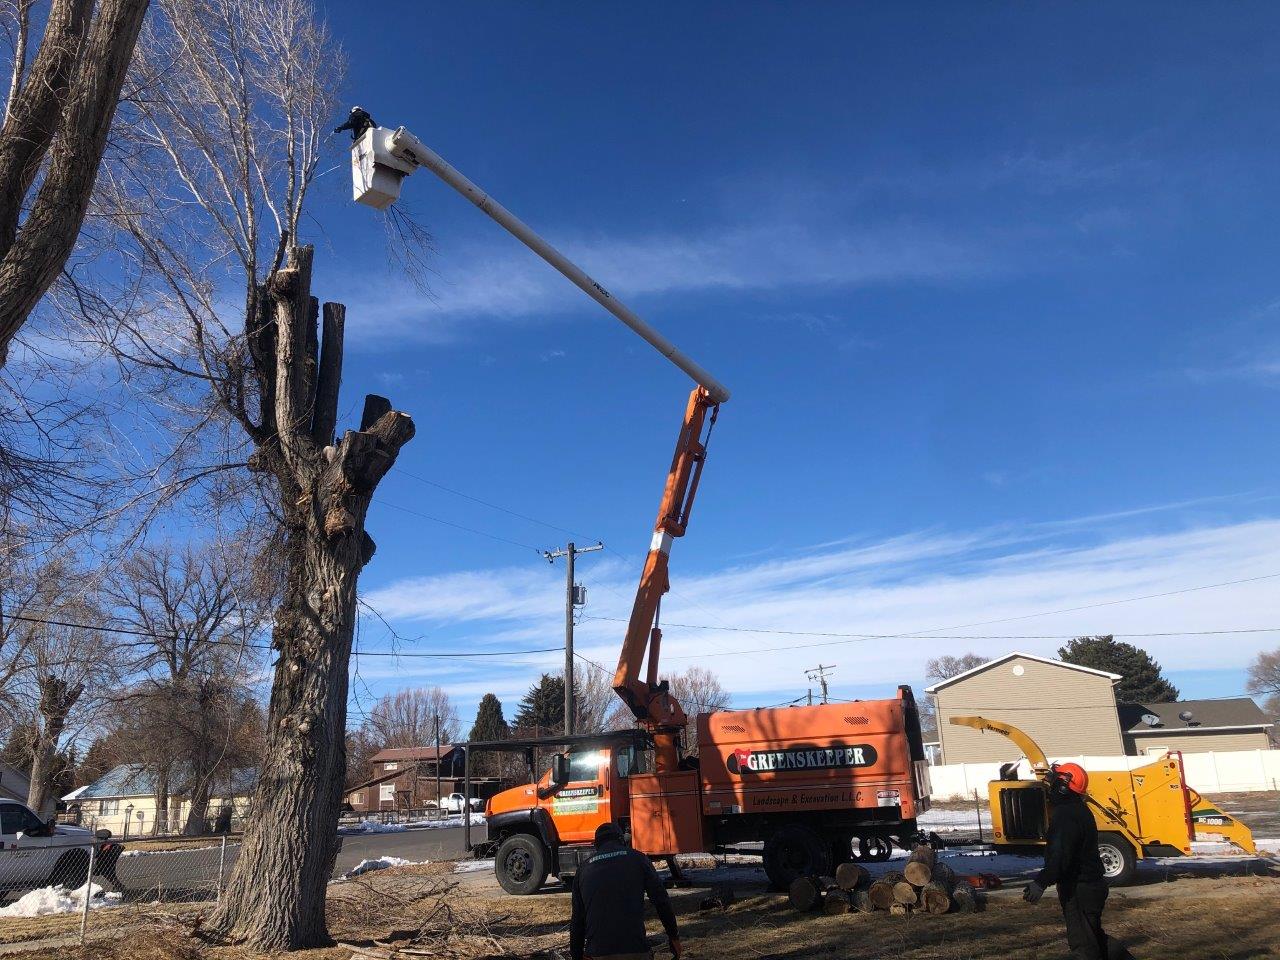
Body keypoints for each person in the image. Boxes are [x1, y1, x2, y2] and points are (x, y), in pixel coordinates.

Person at [1023, 763, 1135, 959]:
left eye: (1053, 782)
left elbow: (1061, 855)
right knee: (1095, 938)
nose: (1050, 787)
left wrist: (1040, 882)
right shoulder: (1079, 810)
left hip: (1079, 888)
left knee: (1084, 946)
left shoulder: (1065, 815)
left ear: (1063, 787)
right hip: (1091, 886)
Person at [570, 822, 682, 960]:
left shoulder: (583, 869)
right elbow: (662, 901)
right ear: (622, 840)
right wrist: (674, 937)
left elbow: (577, 920)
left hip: (598, 953)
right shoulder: (639, 859)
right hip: (636, 951)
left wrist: (576, 955)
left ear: (596, 846)